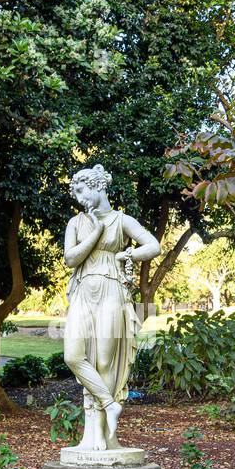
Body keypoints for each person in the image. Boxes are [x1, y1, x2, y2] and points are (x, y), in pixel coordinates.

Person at [63, 165, 160, 452]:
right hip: (83, 291)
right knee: (73, 355)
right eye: (76, 193)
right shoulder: (76, 223)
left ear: (97, 187)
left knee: (104, 361)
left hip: (112, 291)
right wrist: (96, 231)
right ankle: (109, 403)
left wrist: (126, 253)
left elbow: (153, 246)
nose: (79, 198)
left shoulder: (122, 220)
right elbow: (71, 259)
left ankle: (100, 438)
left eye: (82, 191)